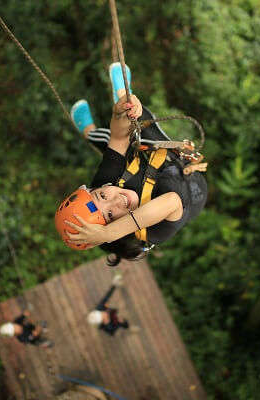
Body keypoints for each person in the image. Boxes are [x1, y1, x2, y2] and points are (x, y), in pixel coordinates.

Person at [55, 62, 208, 265]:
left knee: (126, 132)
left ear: (97, 189)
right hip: (189, 186)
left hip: (148, 167)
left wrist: (121, 113)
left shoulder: (107, 184)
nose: (116, 201)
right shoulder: (152, 232)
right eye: (110, 215)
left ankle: (120, 99)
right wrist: (107, 233)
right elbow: (171, 201)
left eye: (101, 195)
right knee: (151, 138)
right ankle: (89, 130)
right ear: (115, 230)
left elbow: (118, 139)